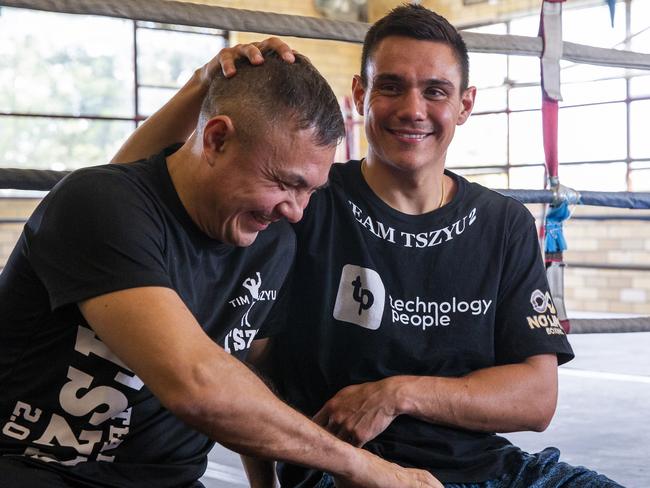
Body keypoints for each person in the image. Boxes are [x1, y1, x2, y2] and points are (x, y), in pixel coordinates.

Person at [111, 6, 622, 488]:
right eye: (392, 87)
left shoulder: (503, 222)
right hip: (339, 471)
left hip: (488, 467)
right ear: (360, 93)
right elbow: (121, 199)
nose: (412, 110)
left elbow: (536, 398)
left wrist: (397, 394)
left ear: (465, 104)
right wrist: (200, 87)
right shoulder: (299, 201)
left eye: (436, 91)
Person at [0, 51, 440, 488]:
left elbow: (247, 381)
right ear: (215, 139)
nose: (296, 211)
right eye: (285, 183)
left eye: (309, 190)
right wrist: (361, 466)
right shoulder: (101, 204)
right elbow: (199, 384)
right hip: (37, 467)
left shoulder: (270, 242)